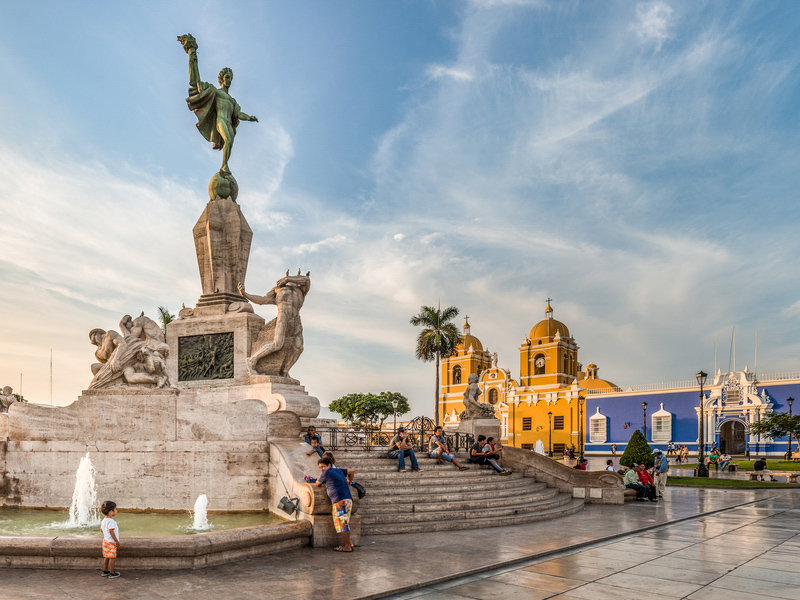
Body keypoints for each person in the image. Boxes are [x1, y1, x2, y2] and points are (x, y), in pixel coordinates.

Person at [178, 33, 259, 175]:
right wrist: (192, 57)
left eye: (230, 78)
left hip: (229, 123)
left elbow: (239, 114)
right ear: (221, 79)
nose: (229, 80)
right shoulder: (216, 92)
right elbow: (196, 82)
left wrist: (249, 117)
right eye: (227, 77)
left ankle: (224, 165)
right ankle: (225, 166)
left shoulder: (233, 101)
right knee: (227, 140)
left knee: (230, 143)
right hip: (220, 120)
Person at [238, 273, 311, 374]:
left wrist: (287, 279)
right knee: (277, 344)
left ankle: (284, 372)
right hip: (283, 316)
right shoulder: (277, 289)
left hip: (296, 319)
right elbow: (262, 300)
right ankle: (252, 360)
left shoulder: (301, 289)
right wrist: (245, 294)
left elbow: (306, 280)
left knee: (299, 348)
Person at [315, 456, 355, 552]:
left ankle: (347, 546)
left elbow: (317, 484)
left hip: (339, 500)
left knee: (342, 524)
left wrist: (318, 479)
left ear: (329, 465)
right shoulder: (338, 470)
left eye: (323, 466)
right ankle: (350, 543)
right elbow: (352, 471)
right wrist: (349, 481)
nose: (321, 469)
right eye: (320, 467)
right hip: (348, 499)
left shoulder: (326, 473)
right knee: (345, 523)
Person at [100, 500, 121, 578]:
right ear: (111, 512)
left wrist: (106, 534)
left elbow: (101, 530)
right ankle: (112, 572)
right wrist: (116, 541)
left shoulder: (104, 520)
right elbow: (111, 531)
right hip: (111, 542)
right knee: (112, 557)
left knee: (106, 557)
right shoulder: (111, 521)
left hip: (105, 541)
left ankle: (105, 571)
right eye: (115, 509)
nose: (116, 511)